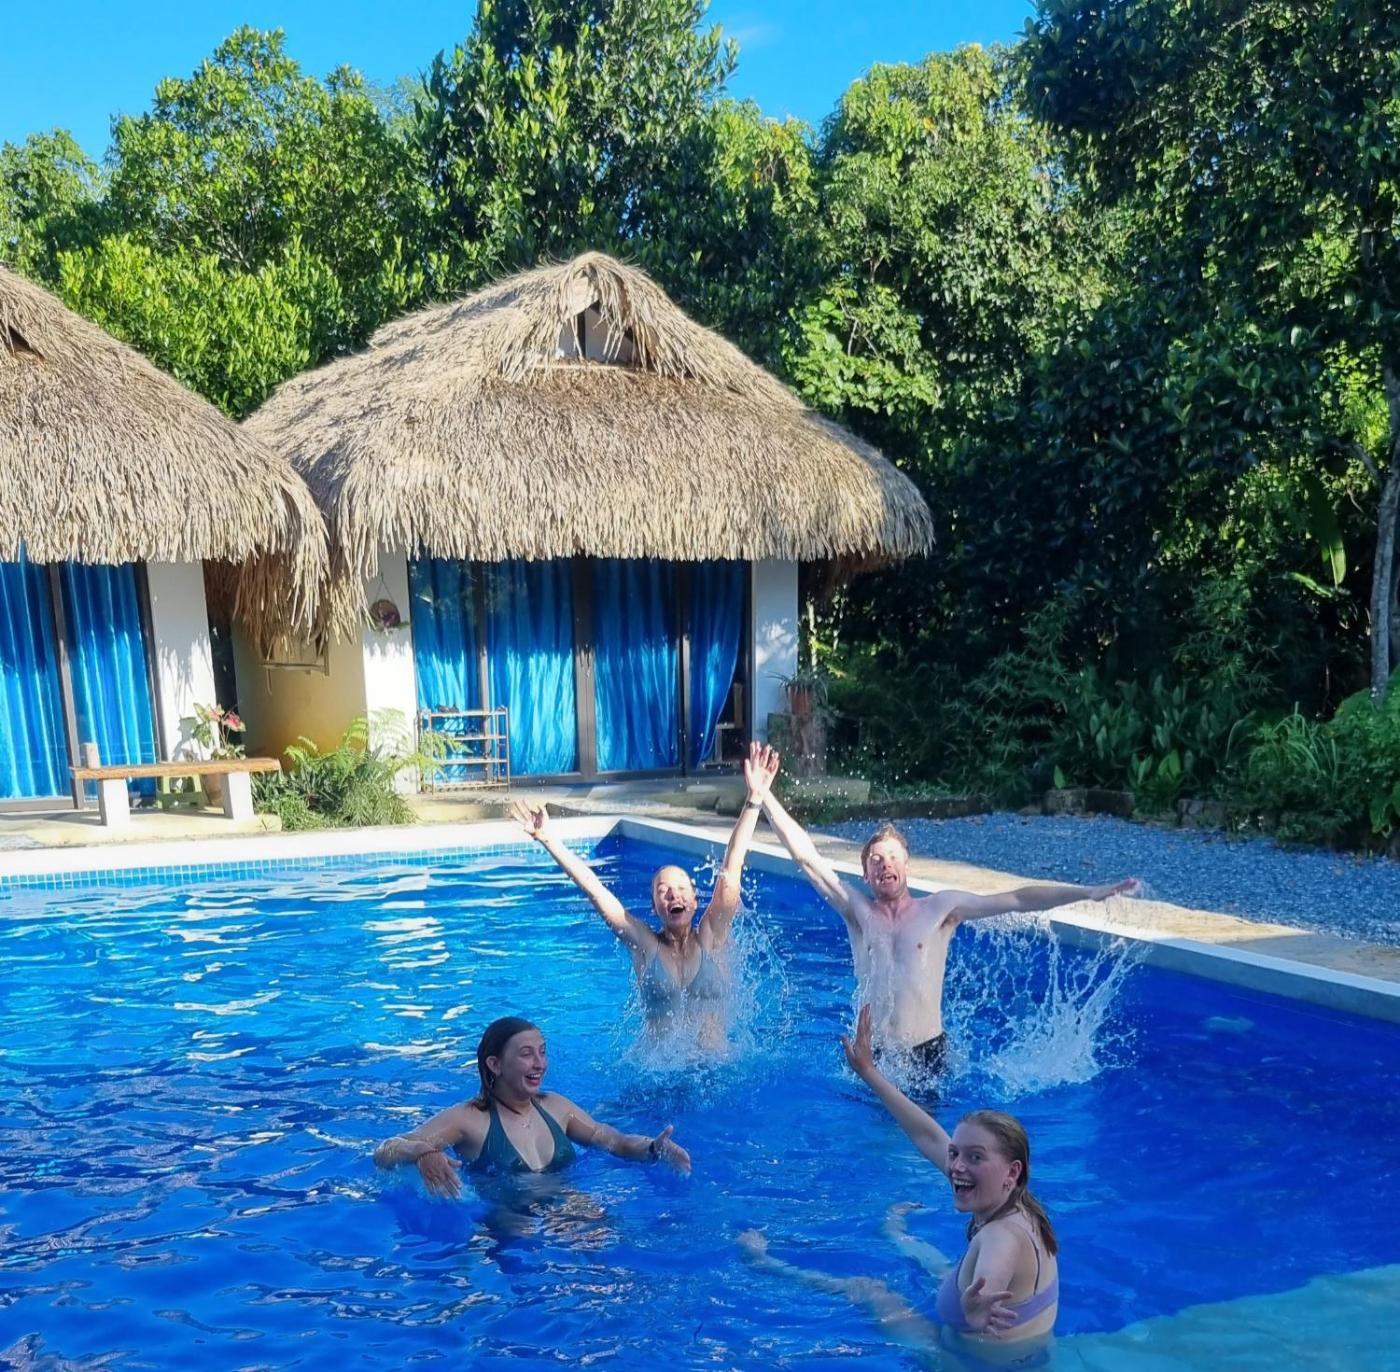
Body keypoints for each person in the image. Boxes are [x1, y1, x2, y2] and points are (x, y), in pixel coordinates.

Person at [739, 1005, 1058, 1367]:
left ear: (1012, 1171)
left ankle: (762, 1261)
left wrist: (977, 1307)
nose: (956, 1167)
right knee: (942, 1270)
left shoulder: (1001, 1236)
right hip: (1027, 1358)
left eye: (975, 1157)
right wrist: (869, 1072)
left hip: (958, 1364)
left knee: (867, 1289)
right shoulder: (1022, 1207)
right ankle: (898, 1236)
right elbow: (927, 1136)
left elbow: (993, 1270)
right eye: (955, 1153)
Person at [758, 790, 1137, 1072]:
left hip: (927, 1055)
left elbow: (1018, 898)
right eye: (876, 860)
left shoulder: (940, 909)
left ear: (907, 867)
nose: (885, 864)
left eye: (893, 857)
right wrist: (763, 796)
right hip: (875, 1056)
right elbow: (807, 858)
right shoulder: (858, 913)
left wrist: (1087, 892)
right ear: (866, 874)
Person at [511, 743, 780, 1045]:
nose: (673, 896)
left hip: (716, 1069)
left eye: (681, 889)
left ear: (695, 902)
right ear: (654, 908)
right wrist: (549, 839)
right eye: (663, 891)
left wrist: (754, 800)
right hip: (658, 1071)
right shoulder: (645, 945)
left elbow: (731, 870)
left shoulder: (711, 936)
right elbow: (596, 892)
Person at [373, 1016, 690, 1196]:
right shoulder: (469, 1119)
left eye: (542, 1052)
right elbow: (384, 1151)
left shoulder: (556, 1107)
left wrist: (653, 1148)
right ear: (495, 1064)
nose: (540, 1064)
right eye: (527, 1054)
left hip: (568, 1207)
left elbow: (613, 1141)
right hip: (511, 1230)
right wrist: (422, 1152)